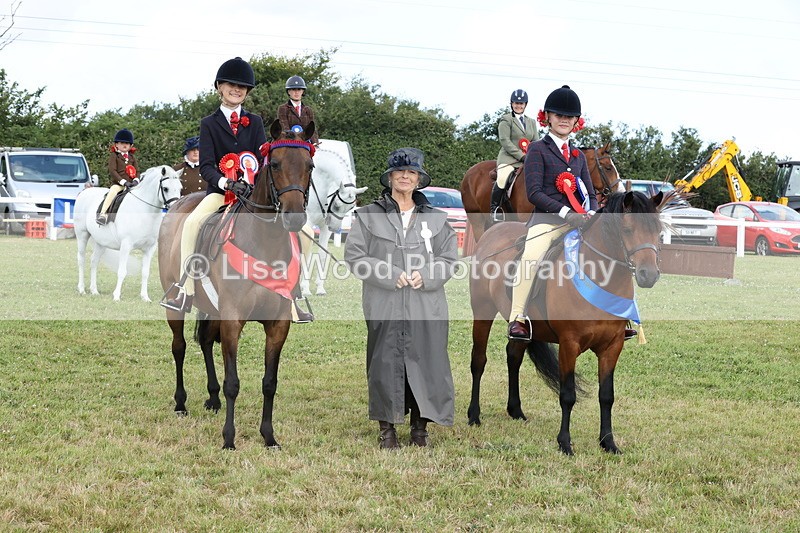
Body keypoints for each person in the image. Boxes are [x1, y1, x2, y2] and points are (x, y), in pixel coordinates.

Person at [344, 147, 457, 449]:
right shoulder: (367, 216)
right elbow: (355, 256)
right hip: (385, 303)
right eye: (400, 171)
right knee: (384, 361)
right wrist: (387, 272)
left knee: (427, 360)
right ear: (390, 177)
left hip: (426, 303)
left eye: (412, 172)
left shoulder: (437, 219)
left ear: (419, 179)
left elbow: (448, 258)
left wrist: (429, 275)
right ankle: (387, 429)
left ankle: (420, 428)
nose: (405, 176)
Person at [161, 57, 266, 313]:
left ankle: (293, 294)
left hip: (252, 196)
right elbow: (206, 165)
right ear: (220, 86)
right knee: (192, 224)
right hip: (220, 193)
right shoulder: (209, 123)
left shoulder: (256, 122)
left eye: (242, 86)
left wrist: (252, 181)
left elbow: (262, 159)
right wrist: (227, 182)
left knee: (294, 226)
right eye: (232, 84)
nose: (237, 89)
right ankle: (184, 289)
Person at [507, 85, 600, 341]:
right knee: (531, 258)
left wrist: (591, 212)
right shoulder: (537, 149)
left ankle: (614, 315)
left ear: (576, 122)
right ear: (547, 117)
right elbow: (534, 193)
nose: (564, 120)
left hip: (579, 223)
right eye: (558, 115)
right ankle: (518, 317)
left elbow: (590, 193)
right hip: (547, 222)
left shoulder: (579, 156)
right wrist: (566, 213)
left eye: (569, 117)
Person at [489, 89, 540, 223]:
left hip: (527, 158)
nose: (519, 106)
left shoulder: (531, 122)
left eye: (521, 103)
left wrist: (534, 155)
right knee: (502, 177)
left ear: (525, 105)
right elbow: (505, 141)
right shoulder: (506, 120)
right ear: (511, 104)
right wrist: (521, 156)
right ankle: (495, 209)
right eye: (516, 103)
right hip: (509, 159)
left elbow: (535, 141)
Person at [97, 128, 139, 225]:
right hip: (119, 184)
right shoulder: (114, 156)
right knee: (112, 192)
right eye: (121, 143)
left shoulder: (132, 157)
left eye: (127, 143)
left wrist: (136, 180)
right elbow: (113, 171)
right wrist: (123, 182)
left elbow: (137, 170)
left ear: (131, 145)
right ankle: (103, 214)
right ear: (116, 144)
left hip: (132, 185)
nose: (124, 145)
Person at [276, 75, 320, 145]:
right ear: (288, 91)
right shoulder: (283, 108)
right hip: (288, 142)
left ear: (302, 91)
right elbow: (285, 128)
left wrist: (315, 142)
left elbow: (312, 129)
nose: (296, 92)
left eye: (299, 89)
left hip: (305, 143)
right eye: (293, 89)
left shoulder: (308, 110)